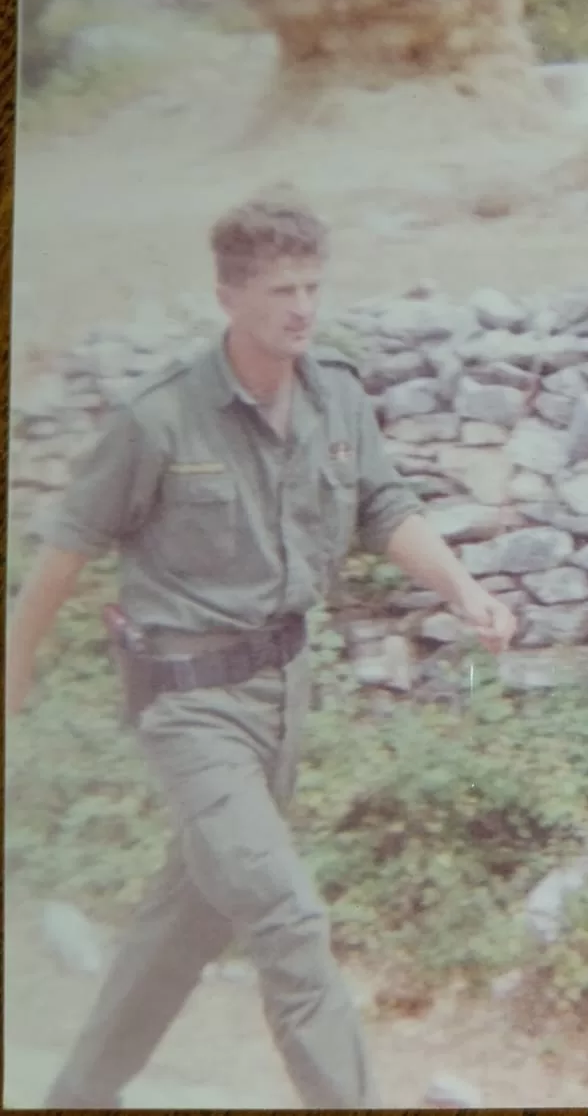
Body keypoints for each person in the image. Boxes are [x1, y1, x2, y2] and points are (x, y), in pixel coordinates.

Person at [5, 191, 518, 1109]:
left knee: (192, 913)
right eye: (282, 290)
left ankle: (76, 1096)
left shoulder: (334, 396)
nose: (303, 308)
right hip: (187, 702)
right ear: (229, 296)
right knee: (287, 918)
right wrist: (12, 669)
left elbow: (383, 507)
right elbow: (67, 548)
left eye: (312, 287)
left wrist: (463, 587)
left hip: (282, 690)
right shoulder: (161, 418)